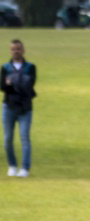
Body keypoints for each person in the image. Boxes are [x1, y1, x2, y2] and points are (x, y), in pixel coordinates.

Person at [2, 39, 36, 178]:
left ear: (23, 50)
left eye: (18, 49)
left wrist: (12, 82)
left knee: (24, 137)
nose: (16, 51)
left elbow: (29, 85)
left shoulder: (30, 67)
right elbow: (3, 87)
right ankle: (12, 165)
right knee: (8, 138)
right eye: (13, 49)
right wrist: (16, 83)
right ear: (10, 51)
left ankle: (25, 168)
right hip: (9, 106)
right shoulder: (5, 68)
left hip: (25, 107)